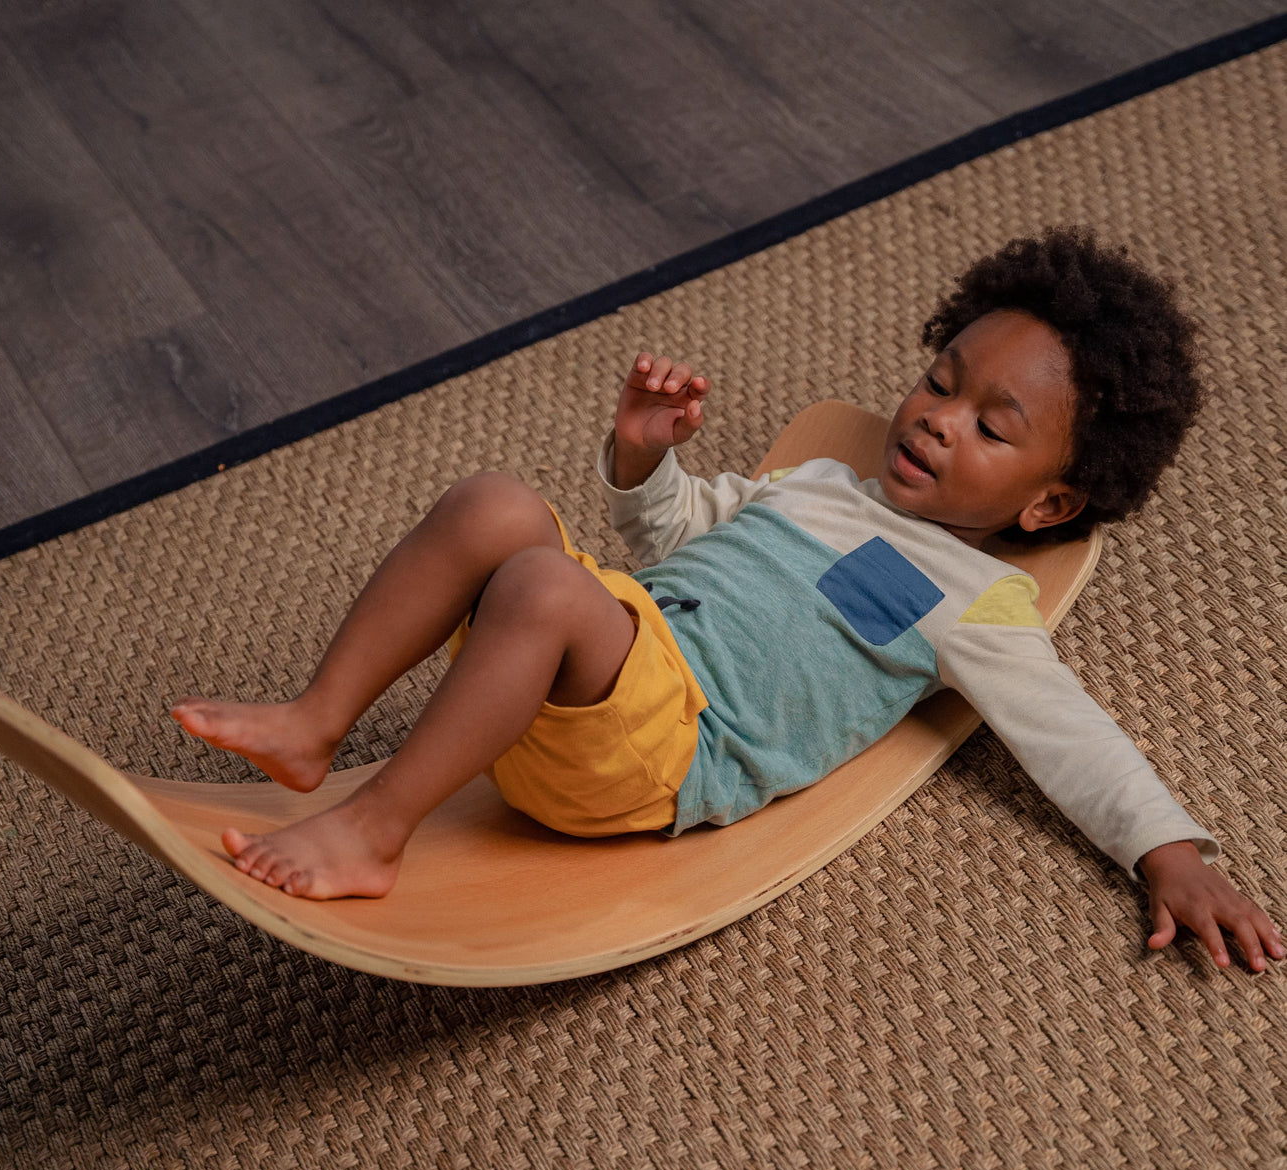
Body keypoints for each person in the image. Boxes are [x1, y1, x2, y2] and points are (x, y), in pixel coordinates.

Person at [171, 226, 1282, 972]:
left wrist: (1166, 851)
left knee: (545, 584)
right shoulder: (818, 483)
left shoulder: (970, 595)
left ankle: (374, 829)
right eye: (939, 382)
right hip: (587, 669)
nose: (939, 416)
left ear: (1046, 506)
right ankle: (320, 724)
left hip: (668, 747)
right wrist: (643, 460)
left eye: (990, 427)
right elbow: (674, 539)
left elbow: (1067, 731)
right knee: (494, 504)